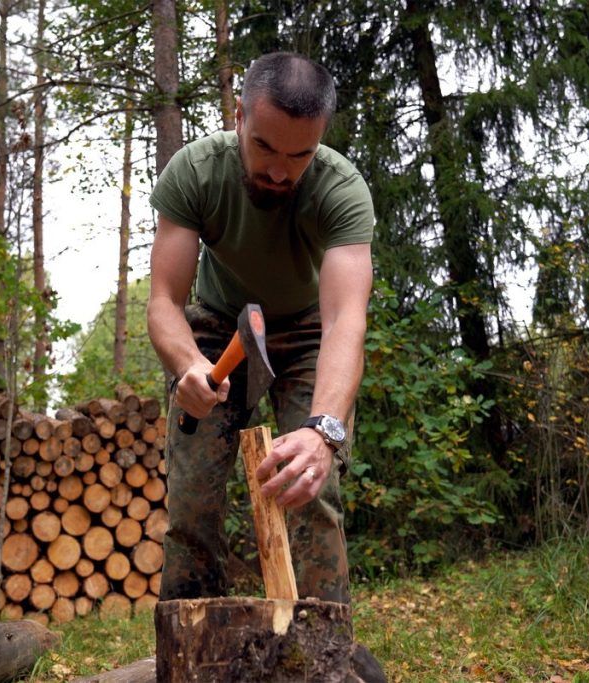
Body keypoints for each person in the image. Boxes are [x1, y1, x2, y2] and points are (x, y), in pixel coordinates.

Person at [146, 51, 374, 605]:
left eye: (300, 154)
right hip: (217, 330)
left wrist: (324, 431)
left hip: (305, 331)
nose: (279, 169)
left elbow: (346, 320)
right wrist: (187, 366)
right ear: (239, 116)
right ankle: (189, 646)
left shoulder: (341, 189)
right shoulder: (195, 172)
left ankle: (325, 650)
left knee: (311, 486)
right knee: (192, 500)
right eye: (264, 146)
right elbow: (163, 301)